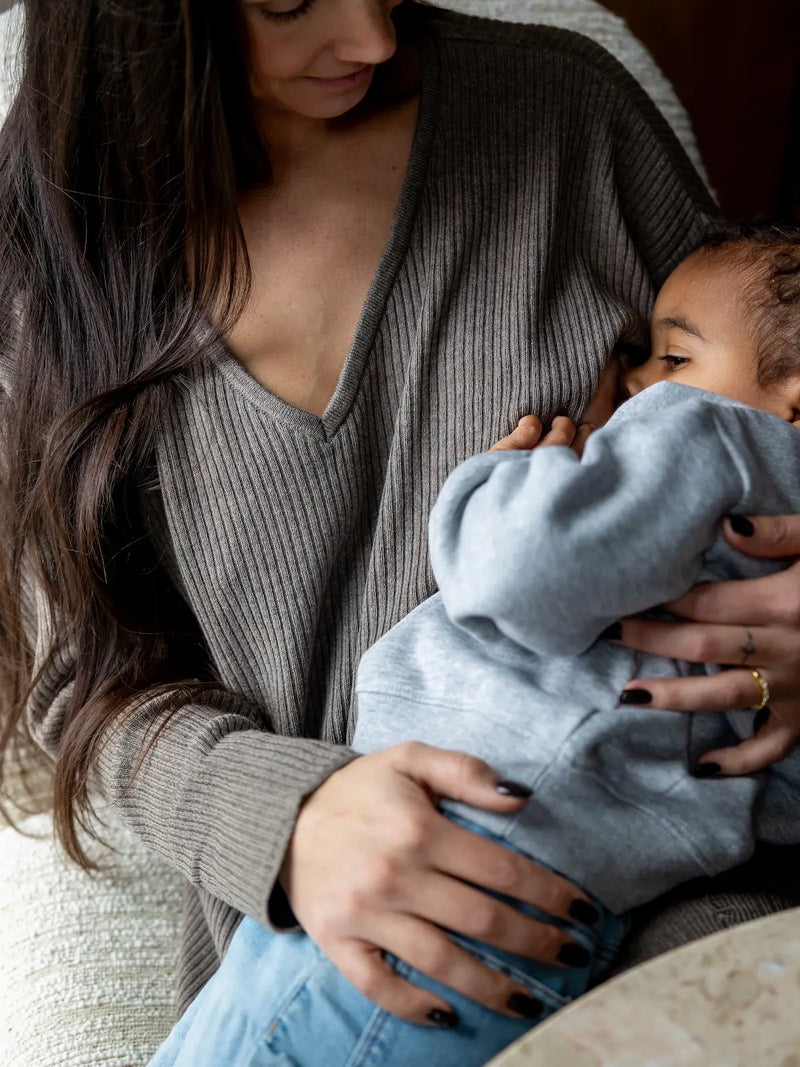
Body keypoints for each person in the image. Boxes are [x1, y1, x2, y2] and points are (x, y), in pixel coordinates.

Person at [1, 0, 800, 1057]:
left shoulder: (569, 116)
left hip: (692, 922)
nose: (374, 39)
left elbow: (765, 375)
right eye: (290, 3)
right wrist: (289, 816)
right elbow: (70, 682)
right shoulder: (46, 240)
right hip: (345, 957)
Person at [146, 223, 800, 1065]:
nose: (634, 381)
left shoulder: (703, 431)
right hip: (576, 912)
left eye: (673, 359)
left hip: (452, 857)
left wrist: (506, 479)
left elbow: (519, 576)